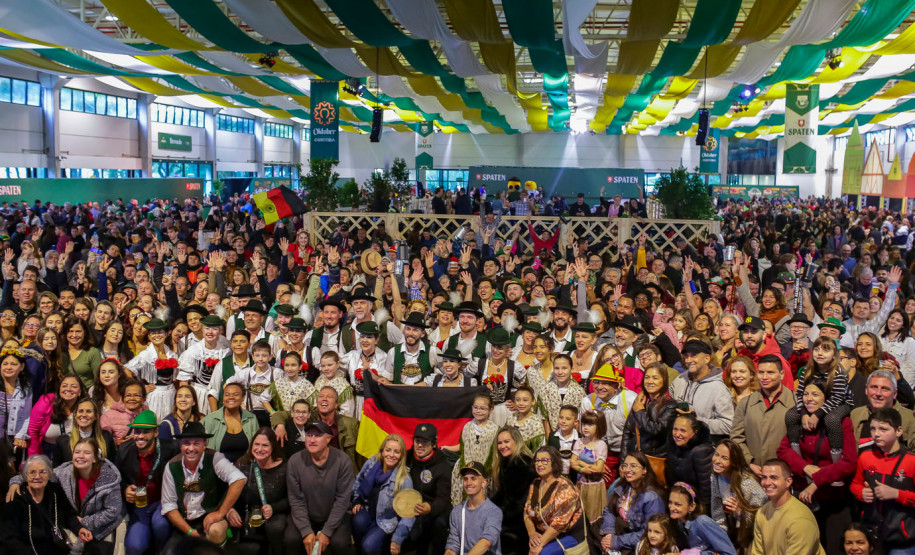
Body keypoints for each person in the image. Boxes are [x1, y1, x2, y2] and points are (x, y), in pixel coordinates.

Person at [160, 421, 247, 547]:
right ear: (180, 445)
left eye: (196, 443)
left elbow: (239, 479)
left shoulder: (215, 458)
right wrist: (189, 531)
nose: (191, 448)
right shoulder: (171, 466)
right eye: (186, 443)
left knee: (216, 530)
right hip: (186, 522)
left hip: (211, 517)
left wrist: (220, 513)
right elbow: (169, 506)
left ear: (204, 444)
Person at [851, 407, 915, 555]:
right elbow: (855, 484)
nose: (876, 434)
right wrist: (861, 493)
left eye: (883, 429)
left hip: (902, 538)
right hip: (872, 534)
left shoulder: (911, 461)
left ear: (899, 431)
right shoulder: (865, 457)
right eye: (873, 428)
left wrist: (897, 494)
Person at [287, 420, 355, 555]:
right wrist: (306, 530)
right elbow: (295, 499)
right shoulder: (294, 461)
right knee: (291, 539)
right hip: (307, 515)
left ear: (328, 439)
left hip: (335, 516)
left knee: (340, 543)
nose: (312, 440)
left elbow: (342, 500)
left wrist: (327, 531)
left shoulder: (343, 461)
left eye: (317, 436)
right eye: (309, 435)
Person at [117, 410, 178, 555]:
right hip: (139, 506)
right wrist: (124, 489)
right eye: (137, 431)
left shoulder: (171, 449)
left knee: (160, 525)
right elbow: (116, 479)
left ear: (156, 432)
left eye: (146, 432)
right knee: (134, 547)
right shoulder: (124, 450)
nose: (140, 436)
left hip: (163, 501)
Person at [230, 427, 298, 555]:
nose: (260, 449)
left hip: (276, 513)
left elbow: (293, 499)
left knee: (275, 527)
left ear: (273, 447)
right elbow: (230, 493)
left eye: (265, 445)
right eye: (256, 444)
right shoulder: (242, 464)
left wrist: (274, 508)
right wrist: (230, 509)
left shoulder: (285, 467)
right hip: (249, 513)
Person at [0, 454, 82, 555]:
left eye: (43, 471)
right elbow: (9, 538)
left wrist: (80, 529)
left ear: (50, 474)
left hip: (54, 549)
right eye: (32, 472)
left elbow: (69, 514)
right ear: (25, 475)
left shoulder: (55, 491)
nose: (37, 476)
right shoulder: (16, 498)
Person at [352, 434, 415, 555]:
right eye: (388, 450)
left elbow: (409, 514)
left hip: (386, 520)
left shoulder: (404, 479)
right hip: (368, 510)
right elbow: (358, 481)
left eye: (397, 452)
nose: (391, 455)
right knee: (358, 520)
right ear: (382, 451)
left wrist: (397, 539)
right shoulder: (372, 462)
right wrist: (357, 500)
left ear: (402, 455)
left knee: (369, 546)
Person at [731, 354, 794, 476]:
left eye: (770, 372)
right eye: (761, 372)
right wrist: (749, 462)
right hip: (753, 472)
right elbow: (736, 437)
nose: (765, 377)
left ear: (781, 374)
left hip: (785, 473)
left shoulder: (795, 402)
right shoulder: (746, 403)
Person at [751, 458, 826, 555]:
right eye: (764, 477)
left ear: (788, 482)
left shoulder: (800, 519)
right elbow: (757, 552)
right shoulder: (762, 512)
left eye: (774, 477)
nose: (767, 482)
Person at [522, 446, 586, 555]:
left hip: (567, 534)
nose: (539, 464)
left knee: (542, 553)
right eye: (537, 460)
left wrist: (539, 544)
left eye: (545, 460)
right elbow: (527, 513)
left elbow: (559, 525)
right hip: (545, 532)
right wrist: (532, 534)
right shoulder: (535, 483)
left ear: (554, 462)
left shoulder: (565, 488)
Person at [600, 451, 667, 553]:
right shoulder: (622, 486)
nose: (627, 470)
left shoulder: (652, 498)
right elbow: (609, 510)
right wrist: (609, 534)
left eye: (633, 466)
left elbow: (649, 533)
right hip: (619, 532)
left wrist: (616, 541)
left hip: (636, 542)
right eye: (625, 466)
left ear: (644, 470)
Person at [710, 439, 767, 554]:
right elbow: (717, 511)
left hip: (755, 534)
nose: (717, 460)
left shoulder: (747, 482)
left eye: (724, 458)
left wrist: (740, 512)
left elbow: (763, 515)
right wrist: (720, 540)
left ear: (734, 461)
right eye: (716, 454)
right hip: (734, 531)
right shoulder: (715, 477)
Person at [670, 339, 733, 440]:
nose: (688, 360)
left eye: (694, 355)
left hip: (702, 448)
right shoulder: (681, 379)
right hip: (678, 445)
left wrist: (695, 421)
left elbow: (727, 425)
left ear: (707, 358)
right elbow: (668, 397)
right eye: (686, 356)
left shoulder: (718, 388)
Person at [405, 423, 452, 555]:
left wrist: (430, 508)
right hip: (412, 506)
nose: (420, 445)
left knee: (439, 524)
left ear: (434, 444)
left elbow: (443, 499)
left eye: (425, 442)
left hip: (434, 506)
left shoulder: (443, 466)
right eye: (417, 441)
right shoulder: (406, 457)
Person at [491, 426, 536, 552]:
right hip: (511, 516)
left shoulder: (523, 464)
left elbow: (518, 502)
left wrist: (495, 517)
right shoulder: (506, 462)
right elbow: (502, 495)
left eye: (507, 441)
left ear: (517, 441)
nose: (502, 446)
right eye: (499, 443)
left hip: (522, 522)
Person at [621, 362, 677, 462]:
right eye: (647, 377)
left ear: (663, 380)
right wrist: (623, 461)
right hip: (634, 459)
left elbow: (655, 430)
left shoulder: (670, 405)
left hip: (654, 460)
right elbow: (627, 432)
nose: (650, 381)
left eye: (655, 378)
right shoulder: (640, 401)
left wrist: (640, 411)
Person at [444, 461, 503, 555]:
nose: (468, 483)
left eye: (473, 478)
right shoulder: (457, 511)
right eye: (465, 479)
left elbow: (486, 542)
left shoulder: (494, 511)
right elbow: (453, 543)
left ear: (483, 483)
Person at [667, 482, 736, 555]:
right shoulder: (679, 522)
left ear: (692, 507)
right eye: (670, 502)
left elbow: (729, 553)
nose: (671, 507)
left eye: (678, 504)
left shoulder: (702, 522)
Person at [665, 411, 714, 510]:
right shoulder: (673, 447)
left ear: (695, 432)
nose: (677, 434)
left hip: (696, 507)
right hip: (680, 503)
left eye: (683, 431)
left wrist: (701, 511)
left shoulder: (701, 451)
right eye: (675, 429)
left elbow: (706, 488)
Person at [201, 381, 258, 463]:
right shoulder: (209, 420)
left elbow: (257, 446)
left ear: (242, 398)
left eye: (236, 394)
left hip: (245, 470)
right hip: (217, 470)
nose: (231, 397)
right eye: (227, 395)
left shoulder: (251, 418)